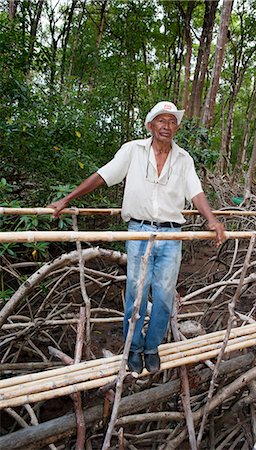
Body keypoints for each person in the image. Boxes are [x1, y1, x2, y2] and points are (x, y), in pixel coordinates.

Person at [48, 101, 225, 374]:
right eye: (161, 120)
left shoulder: (184, 158)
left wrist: (212, 220)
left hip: (171, 233)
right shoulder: (133, 150)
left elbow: (196, 193)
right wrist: (67, 199)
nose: (166, 126)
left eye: (172, 121)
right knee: (137, 294)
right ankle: (133, 347)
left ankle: (151, 347)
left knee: (165, 296)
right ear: (150, 125)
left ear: (176, 128)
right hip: (139, 231)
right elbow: (102, 176)